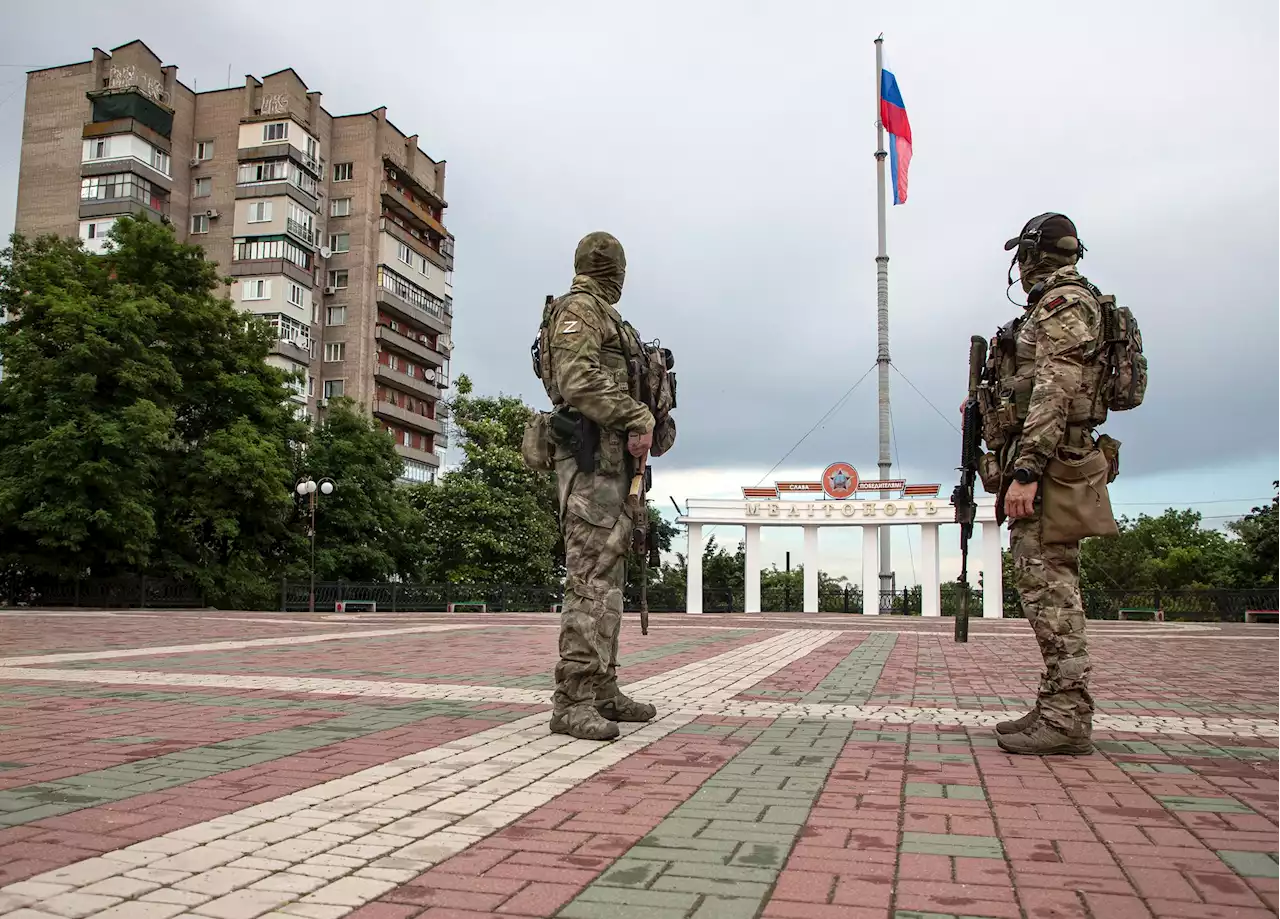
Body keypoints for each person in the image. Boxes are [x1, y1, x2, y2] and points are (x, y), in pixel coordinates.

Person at [975, 212, 1120, 756]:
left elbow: (1054, 390)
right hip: (1055, 459)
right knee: (1045, 586)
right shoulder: (1066, 301)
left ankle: (1065, 718)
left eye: (1022, 255)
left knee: (1050, 590)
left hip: (1053, 466)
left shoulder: (1063, 303)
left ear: (1034, 255)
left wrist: (1027, 470)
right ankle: (1060, 705)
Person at [533, 231, 662, 741]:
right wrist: (636, 414)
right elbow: (575, 377)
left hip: (613, 471)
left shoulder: (607, 317)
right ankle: (572, 700)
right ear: (616, 271)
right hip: (590, 468)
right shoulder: (581, 309)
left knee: (607, 586)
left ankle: (602, 688)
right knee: (589, 583)